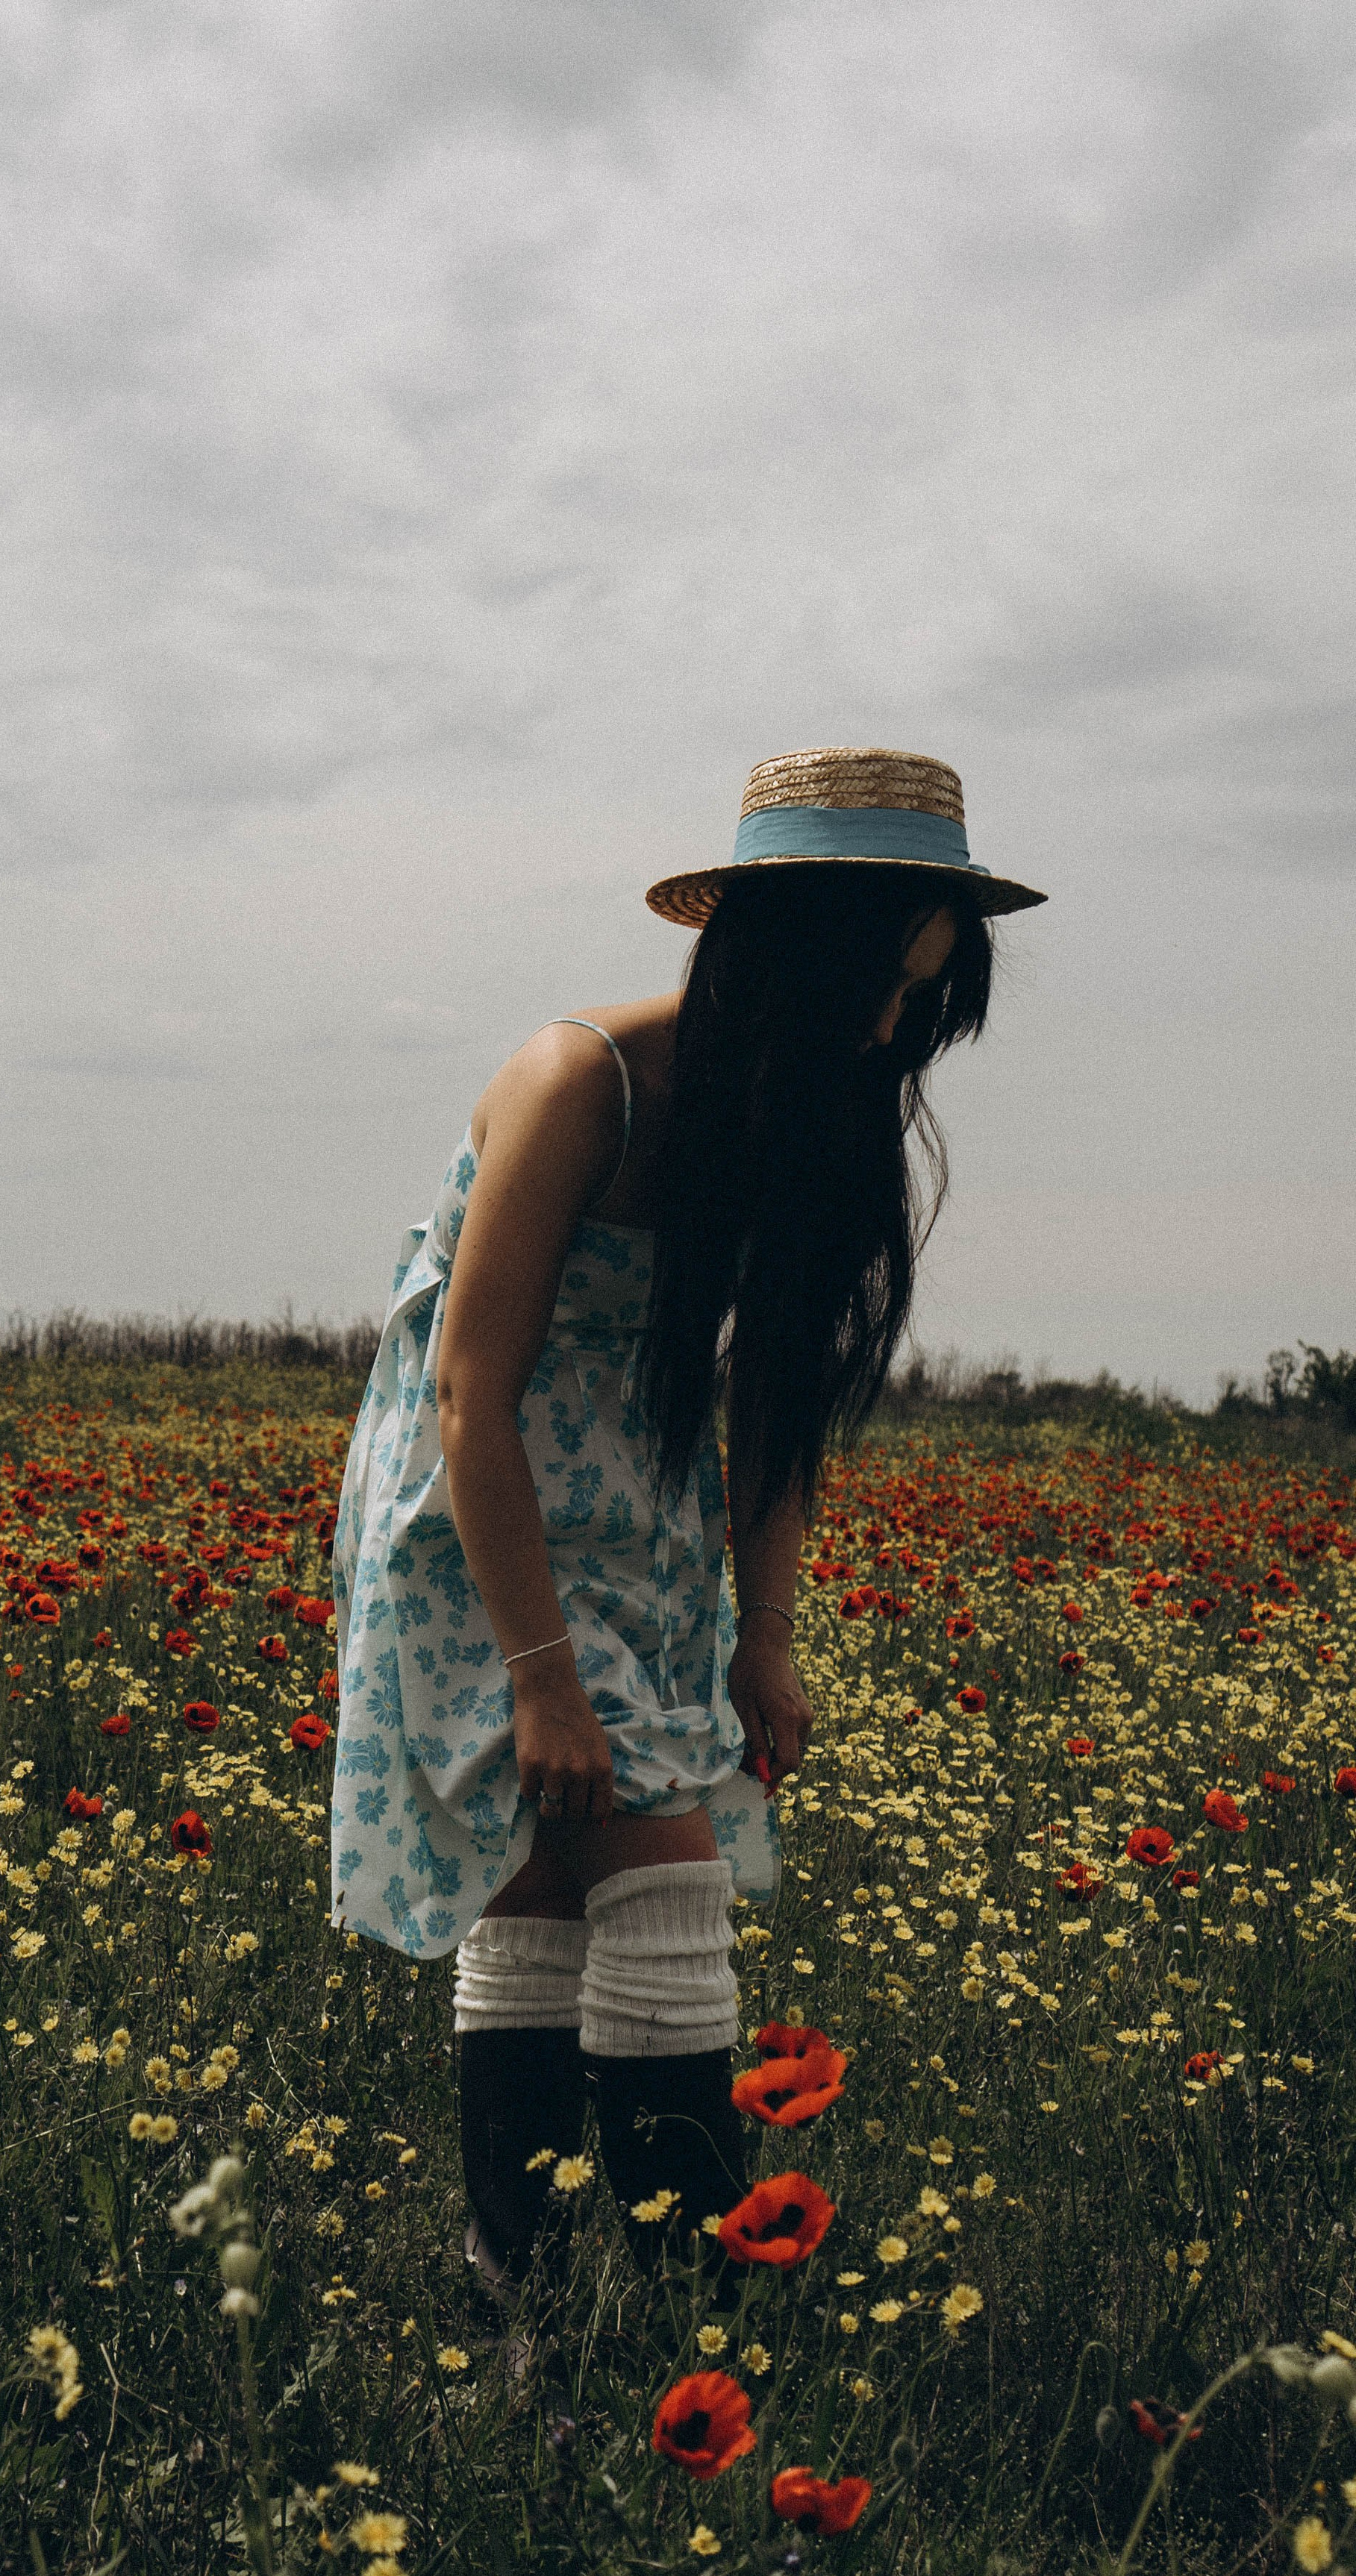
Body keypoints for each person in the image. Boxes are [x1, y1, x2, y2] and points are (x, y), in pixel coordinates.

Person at [329, 746, 1044, 2314]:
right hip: (478, 1512)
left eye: (918, 1000)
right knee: (657, 1880)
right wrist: (537, 1675)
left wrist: (764, 1645)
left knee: (544, 1883)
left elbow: (773, 1414)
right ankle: (681, 2302)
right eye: (875, 984)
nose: (887, 1029)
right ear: (777, 954)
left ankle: (520, 2308)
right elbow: (467, 1392)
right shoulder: (578, 1077)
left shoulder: (812, 1114)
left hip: (638, 1516)